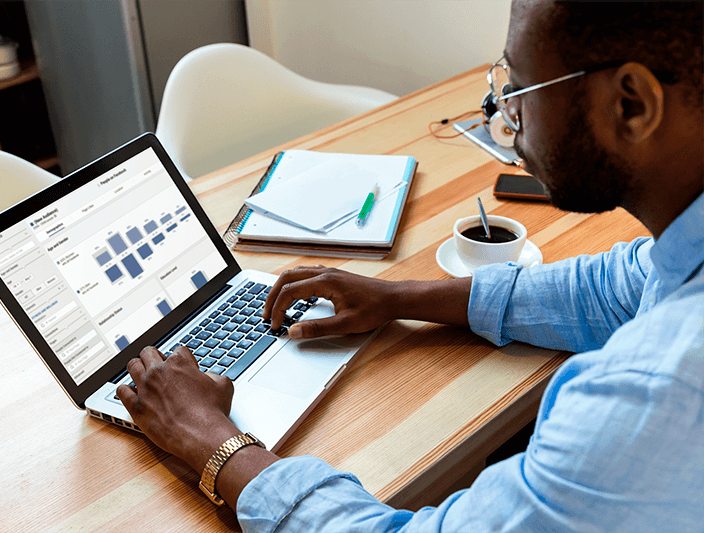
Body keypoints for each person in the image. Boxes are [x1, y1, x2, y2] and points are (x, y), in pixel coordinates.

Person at [117, 1, 704, 531]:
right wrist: (398, 297)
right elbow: (617, 288)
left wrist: (213, 442)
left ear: (632, 104)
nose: (502, 111)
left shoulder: (654, 392)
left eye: (523, 86)